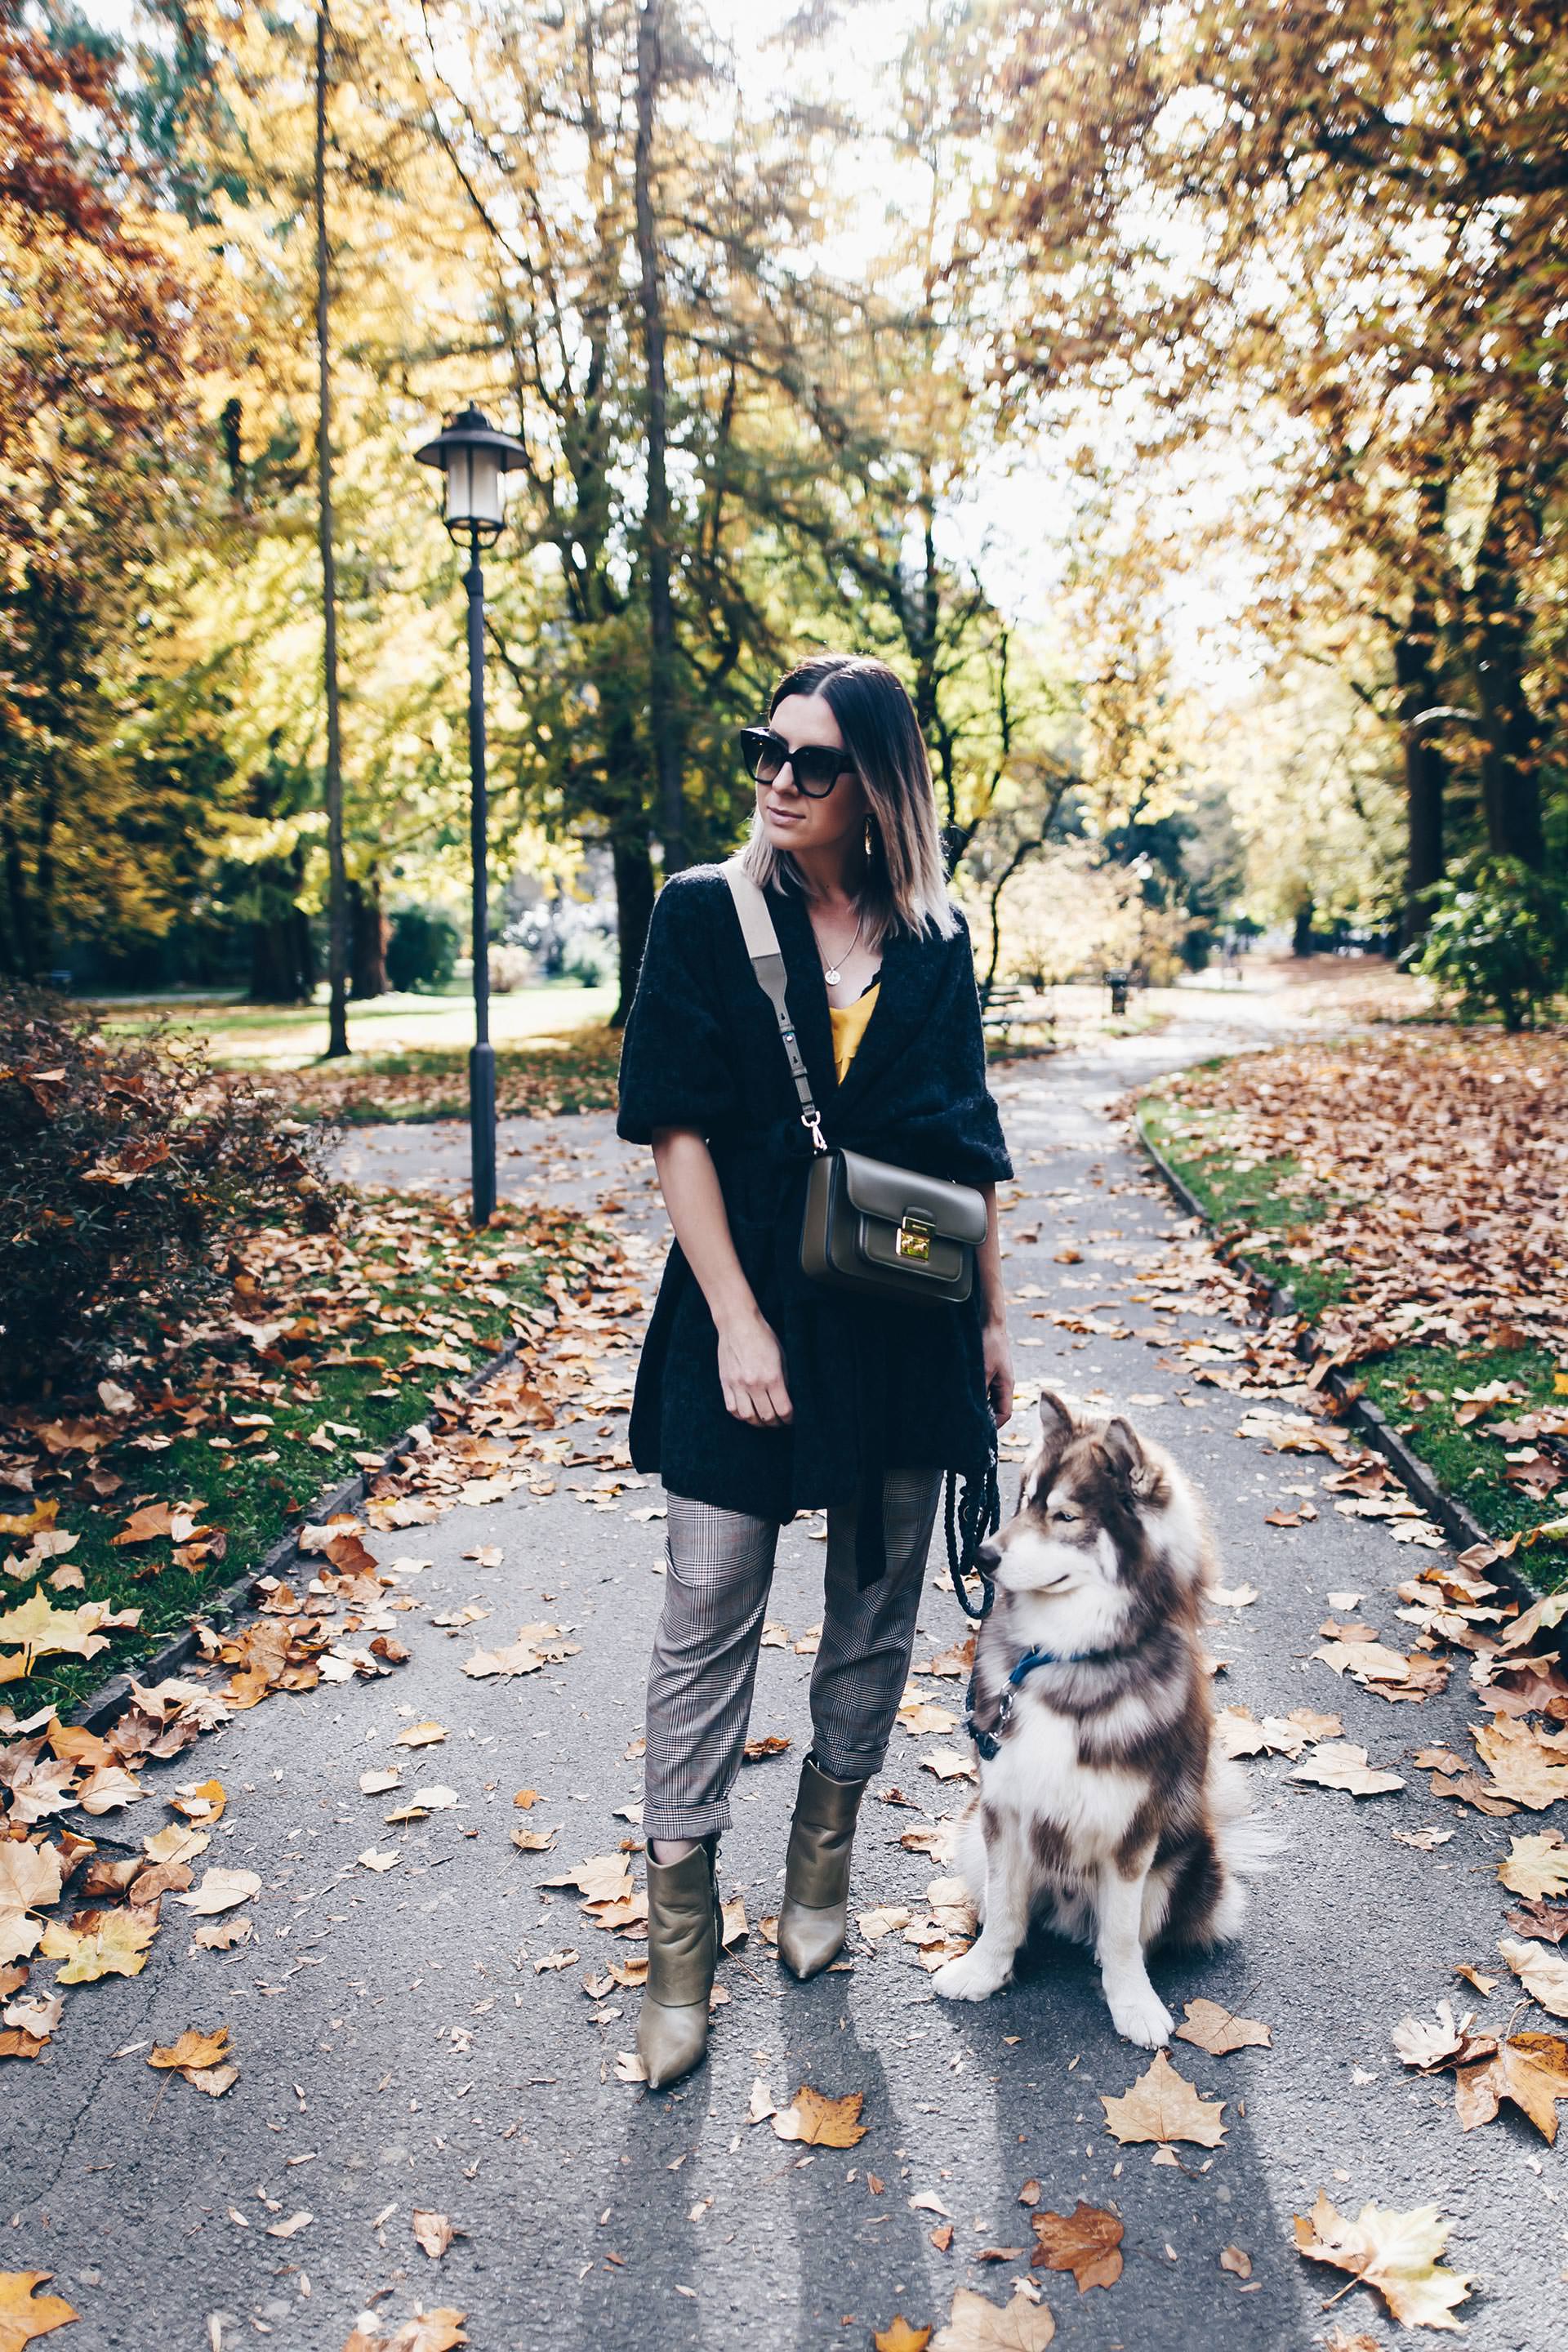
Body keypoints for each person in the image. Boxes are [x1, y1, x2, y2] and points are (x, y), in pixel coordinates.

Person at [615, 652, 1014, 2087]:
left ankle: (821, 1867)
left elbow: (969, 1150)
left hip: (901, 1320)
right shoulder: (701, 915)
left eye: (815, 762)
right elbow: (678, 1132)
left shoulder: (934, 940)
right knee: (709, 1600)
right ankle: (676, 1950)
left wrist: (992, 1326)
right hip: (744, 1307)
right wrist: (733, 1318)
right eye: (765, 751)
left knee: (873, 1602)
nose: (781, 780)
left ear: (880, 786)